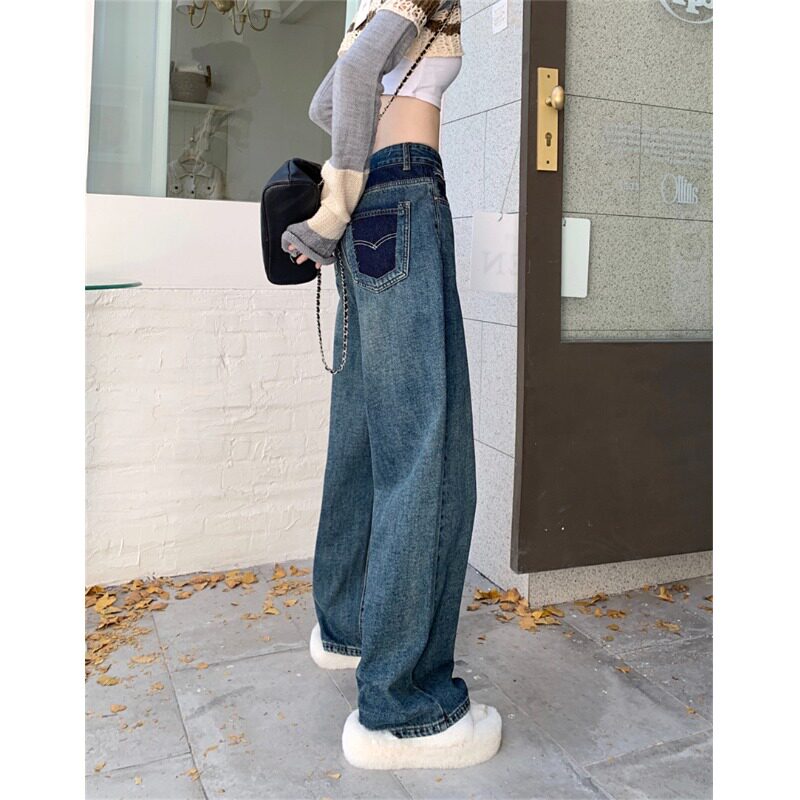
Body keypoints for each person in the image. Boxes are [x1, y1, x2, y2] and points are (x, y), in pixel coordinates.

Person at [281, 0, 502, 770]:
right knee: (425, 460)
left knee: (366, 439)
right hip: (403, 196)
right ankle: (404, 709)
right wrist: (333, 210)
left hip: (378, 207)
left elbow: (329, 99)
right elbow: (351, 76)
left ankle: (348, 627)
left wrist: (347, 196)